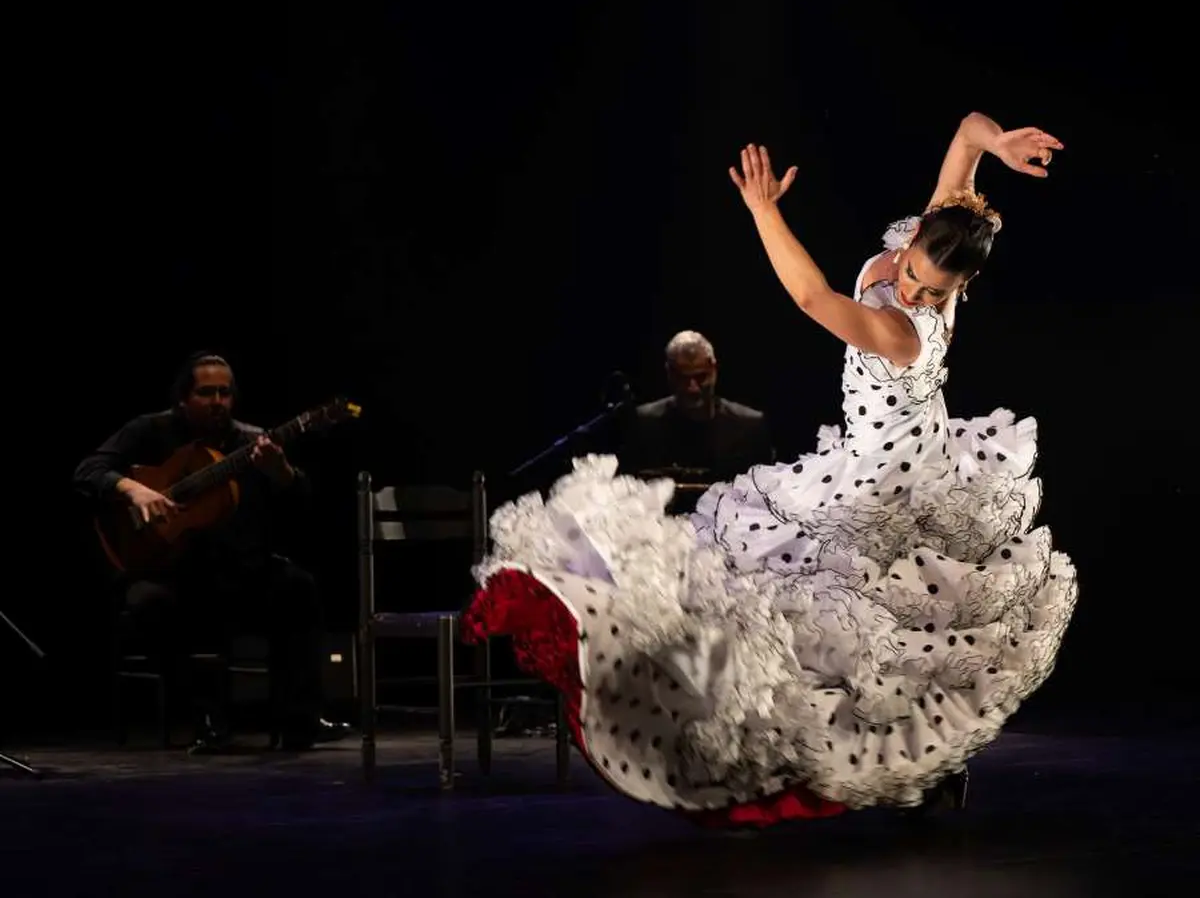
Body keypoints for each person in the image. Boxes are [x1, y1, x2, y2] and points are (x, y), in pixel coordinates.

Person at [458, 112, 1077, 829]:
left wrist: (760, 210)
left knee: (864, 634)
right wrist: (995, 145)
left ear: (957, 289)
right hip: (871, 457)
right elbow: (966, 131)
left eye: (936, 292)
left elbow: (813, 297)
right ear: (916, 238)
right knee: (829, 621)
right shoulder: (938, 230)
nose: (913, 292)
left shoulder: (902, 332)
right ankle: (900, 768)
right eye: (913, 275)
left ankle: (886, 766)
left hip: (887, 486)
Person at [73, 351, 350, 752]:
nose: (218, 401)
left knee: (298, 587)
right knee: (151, 603)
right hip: (166, 570)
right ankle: (203, 718)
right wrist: (133, 489)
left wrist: (282, 473)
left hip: (239, 568)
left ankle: (300, 717)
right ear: (183, 399)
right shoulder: (149, 431)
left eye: (225, 392)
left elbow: (303, 502)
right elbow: (87, 471)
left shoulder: (253, 443)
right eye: (206, 393)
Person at [619, 331, 775, 512]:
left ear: (714, 370)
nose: (692, 388)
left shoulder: (748, 427)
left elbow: (764, 500)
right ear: (669, 373)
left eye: (700, 377)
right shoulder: (644, 423)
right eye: (683, 378)